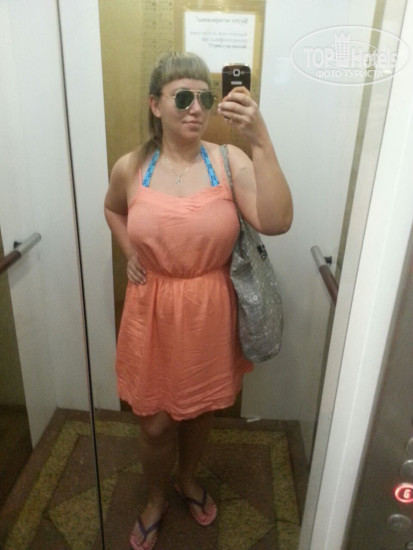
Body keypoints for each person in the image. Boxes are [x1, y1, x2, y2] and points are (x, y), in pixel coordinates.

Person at [104, 51, 292, 550]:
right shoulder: (131, 167)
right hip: (151, 309)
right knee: (155, 423)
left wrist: (259, 138)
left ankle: (187, 479)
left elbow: (277, 220)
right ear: (155, 105)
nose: (195, 108)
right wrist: (129, 253)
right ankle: (155, 497)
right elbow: (112, 209)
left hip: (210, 306)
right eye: (182, 97)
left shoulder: (229, 161)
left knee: (201, 409)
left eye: (205, 98)